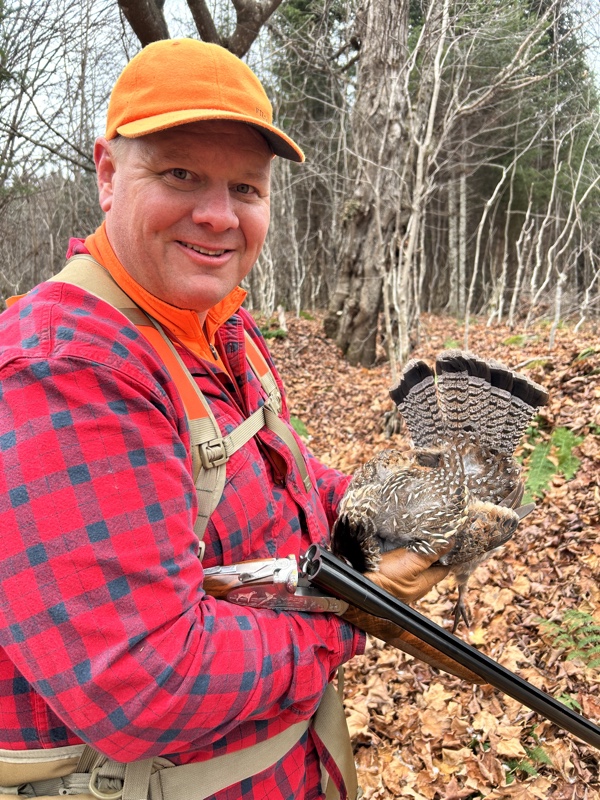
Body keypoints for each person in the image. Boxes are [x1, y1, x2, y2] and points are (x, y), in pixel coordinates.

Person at [0, 39, 452, 800]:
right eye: (180, 174)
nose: (218, 216)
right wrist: (354, 611)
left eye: (246, 187)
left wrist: (396, 508)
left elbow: (282, 485)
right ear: (108, 175)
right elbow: (145, 684)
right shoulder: (64, 371)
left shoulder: (213, 325)